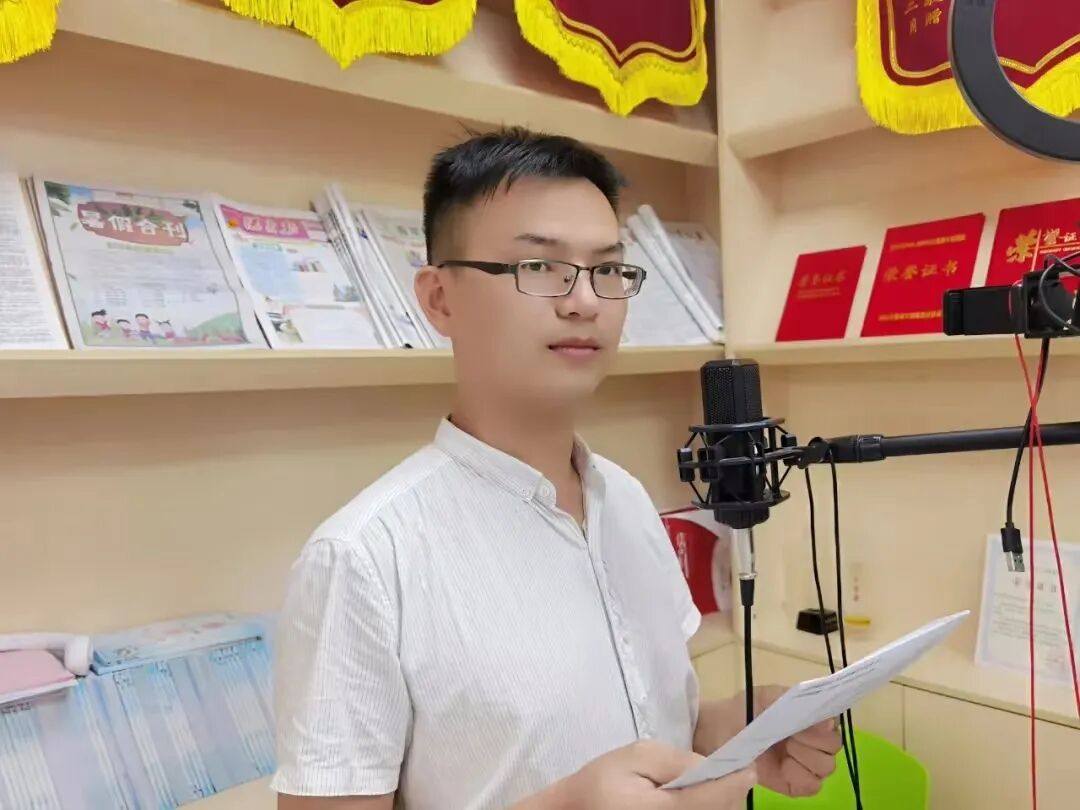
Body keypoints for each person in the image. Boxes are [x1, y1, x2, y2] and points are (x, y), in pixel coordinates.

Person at [271, 128, 841, 810]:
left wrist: (734, 733)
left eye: (607, 270)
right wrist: (564, 804)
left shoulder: (626, 500)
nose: (585, 302)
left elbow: (654, 726)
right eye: (540, 267)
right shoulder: (362, 559)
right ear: (440, 298)